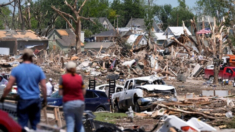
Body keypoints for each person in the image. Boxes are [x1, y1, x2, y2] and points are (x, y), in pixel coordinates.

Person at [0, 48, 47, 130]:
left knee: (22, 126)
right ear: (32, 57)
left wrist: (3, 97)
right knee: (35, 125)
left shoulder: (16, 69)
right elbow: (43, 86)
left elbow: (8, 86)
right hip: (35, 100)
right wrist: (45, 99)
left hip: (23, 101)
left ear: (23, 57)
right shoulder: (38, 69)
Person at [59, 61, 86, 132]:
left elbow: (60, 92)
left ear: (66, 69)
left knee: (70, 125)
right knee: (79, 123)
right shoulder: (80, 78)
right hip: (80, 102)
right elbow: (84, 91)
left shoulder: (63, 78)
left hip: (68, 103)